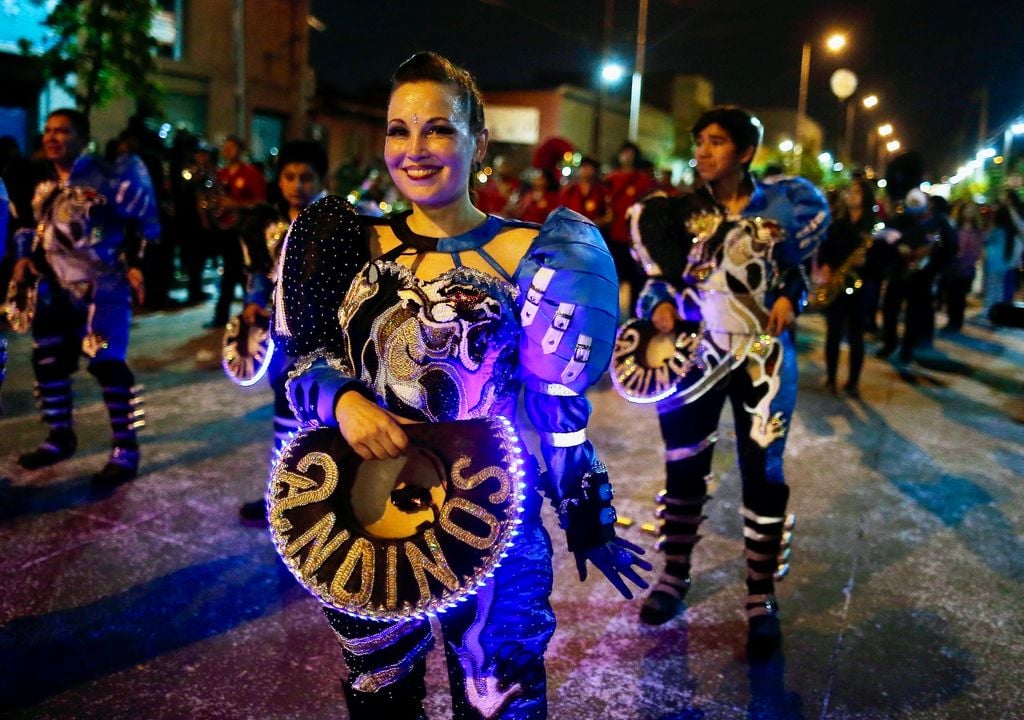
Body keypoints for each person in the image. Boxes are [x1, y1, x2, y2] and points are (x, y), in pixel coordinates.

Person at [272, 51, 649, 718]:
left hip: (492, 524)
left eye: (439, 129)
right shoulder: (342, 241)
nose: (415, 150)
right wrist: (345, 398)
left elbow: (556, 407)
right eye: (399, 129)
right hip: (368, 517)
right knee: (381, 701)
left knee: (499, 699)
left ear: (480, 138)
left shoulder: (537, 252)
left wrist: (589, 514)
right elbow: (303, 362)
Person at [628, 106, 829, 655]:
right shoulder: (671, 215)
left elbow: (795, 275)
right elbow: (653, 286)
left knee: (763, 472)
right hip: (695, 357)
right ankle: (673, 577)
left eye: (716, 142)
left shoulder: (785, 208)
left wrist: (790, 297)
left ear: (745, 152)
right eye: (698, 142)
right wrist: (663, 307)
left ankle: (760, 599)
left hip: (763, 357)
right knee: (684, 464)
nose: (702, 152)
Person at [11, 108, 159, 486]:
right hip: (53, 288)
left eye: (62, 131)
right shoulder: (38, 178)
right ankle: (60, 436)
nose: (52, 137)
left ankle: (125, 449)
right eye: (47, 130)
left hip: (103, 288)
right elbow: (29, 225)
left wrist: (138, 264)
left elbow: (145, 225)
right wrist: (25, 260)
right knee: (48, 362)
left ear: (82, 137)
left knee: (108, 364)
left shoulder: (110, 176)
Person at [235, 140, 328, 524]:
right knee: (284, 415)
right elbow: (256, 273)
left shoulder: (335, 223)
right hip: (280, 340)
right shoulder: (265, 225)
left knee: (321, 423)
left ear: (321, 180)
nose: (297, 185)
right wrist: (253, 301)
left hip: (324, 339)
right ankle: (281, 496)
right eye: (289, 176)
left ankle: (317, 502)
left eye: (306, 177)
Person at [818, 178, 876, 397]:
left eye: (857, 192)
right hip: (837, 283)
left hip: (861, 286)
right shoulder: (838, 223)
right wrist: (825, 266)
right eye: (850, 191)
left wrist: (867, 262)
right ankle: (831, 378)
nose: (852, 195)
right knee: (833, 333)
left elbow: (883, 258)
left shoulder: (872, 227)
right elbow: (825, 248)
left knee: (856, 335)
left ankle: (853, 382)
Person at [208, 135, 266, 328]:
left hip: (244, 231)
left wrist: (236, 204)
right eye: (226, 147)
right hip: (225, 228)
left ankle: (249, 312)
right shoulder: (221, 173)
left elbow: (260, 203)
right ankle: (226, 315)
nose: (227, 151)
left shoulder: (250, 173)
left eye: (232, 147)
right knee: (230, 272)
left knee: (242, 273)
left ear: (240, 150)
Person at [605, 142, 655, 318]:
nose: (626, 156)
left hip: (634, 238)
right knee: (612, 276)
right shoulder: (610, 179)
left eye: (630, 152)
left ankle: (635, 314)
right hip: (614, 236)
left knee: (635, 279)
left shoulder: (642, 180)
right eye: (624, 152)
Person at [944, 200, 985, 332]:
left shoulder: (977, 230)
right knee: (951, 295)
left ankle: (957, 322)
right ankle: (951, 321)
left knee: (960, 296)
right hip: (952, 266)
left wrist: (968, 263)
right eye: (966, 209)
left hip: (967, 268)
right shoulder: (955, 227)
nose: (969, 212)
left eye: (971, 210)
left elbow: (977, 250)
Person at [560, 156, 612, 230]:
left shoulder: (602, 192)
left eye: (590, 167)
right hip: (572, 233)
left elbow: (609, 217)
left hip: (594, 234)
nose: (586, 170)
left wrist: (590, 224)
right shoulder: (570, 190)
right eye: (584, 167)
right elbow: (561, 213)